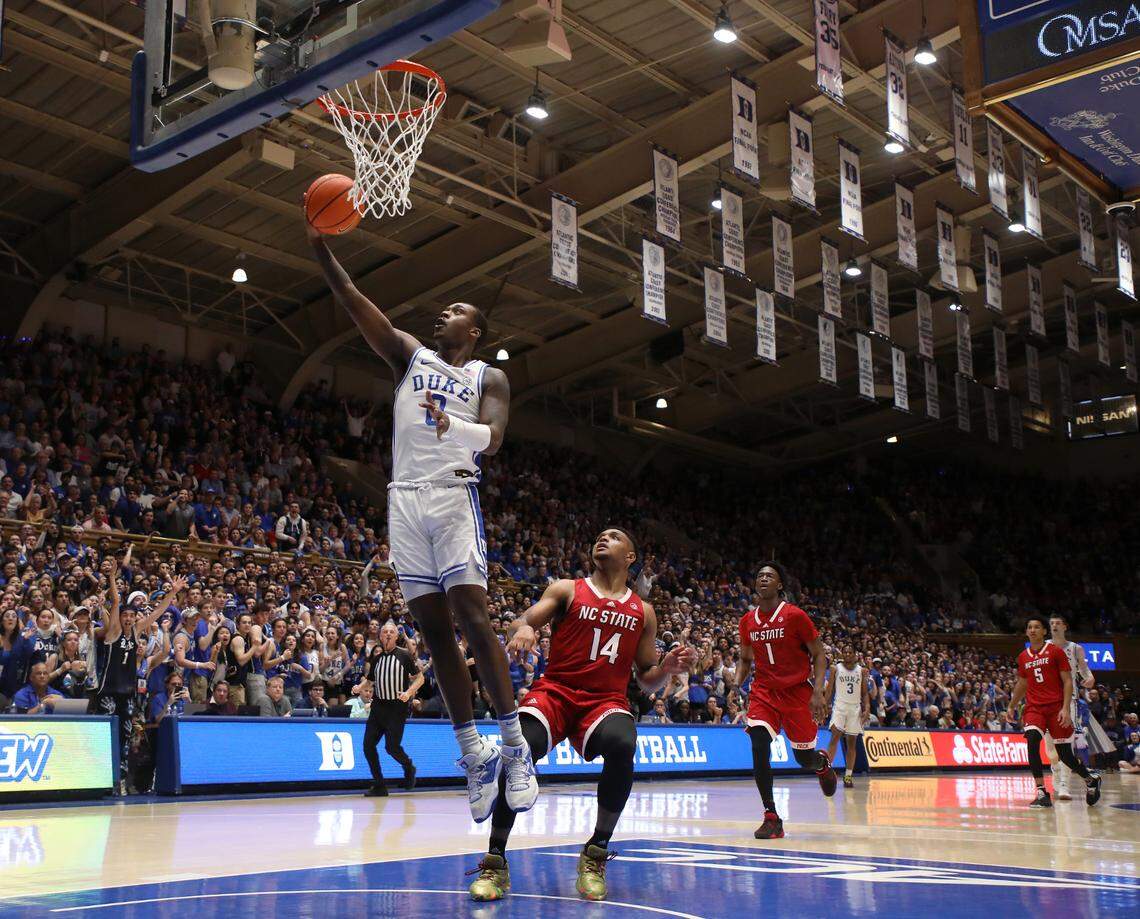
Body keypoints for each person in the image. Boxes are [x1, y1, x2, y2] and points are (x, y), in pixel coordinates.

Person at [308, 220, 538, 822]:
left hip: (452, 494)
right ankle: (474, 753)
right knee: (435, 633)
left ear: (476, 329)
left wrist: (450, 426)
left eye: (455, 310)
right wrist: (321, 250)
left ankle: (514, 747)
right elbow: (357, 304)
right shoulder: (410, 355)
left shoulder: (487, 375)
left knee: (472, 614)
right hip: (403, 501)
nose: (443, 314)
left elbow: (492, 439)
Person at [467, 528, 695, 903]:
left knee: (624, 741)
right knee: (518, 748)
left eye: (614, 537)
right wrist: (524, 627)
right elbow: (524, 620)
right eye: (600, 536)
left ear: (631, 557)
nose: (603, 539)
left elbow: (647, 678)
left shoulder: (644, 611)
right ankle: (496, 859)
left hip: (604, 701)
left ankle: (596, 852)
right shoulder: (567, 589)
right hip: (556, 691)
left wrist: (666, 668)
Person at [735, 562, 837, 840]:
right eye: (759, 576)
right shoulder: (747, 621)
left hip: (796, 692)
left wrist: (818, 691)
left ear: (780, 585)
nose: (763, 579)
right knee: (758, 743)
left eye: (770, 576)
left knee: (803, 758)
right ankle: (771, 816)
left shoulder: (795, 616)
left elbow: (819, 654)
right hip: (764, 692)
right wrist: (736, 681)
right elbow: (745, 659)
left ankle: (821, 764)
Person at [1007, 617, 1101, 808]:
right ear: (1026, 632)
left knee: (1065, 754)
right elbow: (1023, 683)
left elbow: (1067, 681)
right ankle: (1042, 791)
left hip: (1057, 707)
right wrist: (1011, 705)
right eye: (1029, 627)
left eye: (1037, 627)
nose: (1032, 630)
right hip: (1034, 707)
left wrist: (1066, 708)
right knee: (1032, 740)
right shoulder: (1023, 657)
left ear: (1044, 632)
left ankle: (1090, 778)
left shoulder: (1056, 652)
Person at [359, 621, 424, 796]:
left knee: (391, 747)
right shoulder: (377, 658)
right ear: (380, 636)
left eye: (391, 632)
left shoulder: (404, 655)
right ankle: (379, 784)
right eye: (385, 632)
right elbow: (369, 680)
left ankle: (408, 766)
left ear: (396, 636)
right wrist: (359, 687)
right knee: (367, 746)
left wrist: (409, 692)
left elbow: (420, 679)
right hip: (378, 706)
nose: (388, 634)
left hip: (397, 708)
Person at [1046, 614, 1095, 800]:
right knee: (1051, 750)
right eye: (1052, 624)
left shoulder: (1076, 649)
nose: (1055, 626)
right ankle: (1055, 768)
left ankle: (1065, 783)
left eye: (1058, 623)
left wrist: (1089, 678)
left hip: (1068, 701)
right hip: (1047, 701)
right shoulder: (1044, 647)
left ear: (1065, 626)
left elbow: (1084, 670)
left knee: (1066, 745)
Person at [824, 647, 869, 788]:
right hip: (840, 706)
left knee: (851, 743)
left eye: (850, 652)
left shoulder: (861, 671)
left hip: (854, 708)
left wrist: (867, 707)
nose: (848, 654)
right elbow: (830, 689)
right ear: (842, 654)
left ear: (855, 655)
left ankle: (848, 776)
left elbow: (865, 693)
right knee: (835, 737)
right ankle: (828, 772)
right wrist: (825, 704)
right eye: (846, 652)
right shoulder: (835, 668)